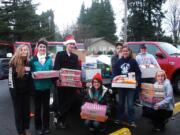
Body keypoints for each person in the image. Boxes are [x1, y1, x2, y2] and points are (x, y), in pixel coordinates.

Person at [53, 35, 80, 128]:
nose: (72, 46)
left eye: (73, 44)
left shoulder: (75, 57)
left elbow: (77, 69)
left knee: (70, 101)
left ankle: (58, 115)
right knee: (61, 101)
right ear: (66, 45)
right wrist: (58, 79)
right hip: (61, 83)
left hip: (71, 84)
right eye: (70, 44)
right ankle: (60, 122)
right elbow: (56, 68)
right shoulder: (60, 54)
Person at [113, 46, 141, 127]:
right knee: (121, 103)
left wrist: (137, 81)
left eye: (126, 51)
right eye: (123, 51)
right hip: (121, 86)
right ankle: (119, 118)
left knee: (130, 104)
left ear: (129, 52)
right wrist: (115, 78)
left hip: (130, 86)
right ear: (121, 52)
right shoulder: (119, 61)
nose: (125, 52)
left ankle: (131, 120)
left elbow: (138, 73)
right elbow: (115, 72)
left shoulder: (133, 61)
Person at [30, 38, 53, 135]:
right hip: (36, 88)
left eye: (44, 47)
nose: (42, 48)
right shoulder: (32, 59)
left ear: (46, 48)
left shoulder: (49, 59)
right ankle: (38, 128)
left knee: (46, 108)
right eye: (41, 46)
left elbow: (52, 72)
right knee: (37, 108)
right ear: (37, 48)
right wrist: (32, 75)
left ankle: (46, 127)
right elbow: (30, 73)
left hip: (47, 87)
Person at [9, 44, 32, 135]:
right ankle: (20, 131)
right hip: (17, 93)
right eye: (22, 50)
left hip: (26, 93)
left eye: (26, 50)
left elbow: (29, 77)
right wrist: (13, 93)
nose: (24, 51)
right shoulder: (13, 62)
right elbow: (11, 79)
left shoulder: (28, 62)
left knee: (26, 112)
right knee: (18, 113)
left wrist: (31, 91)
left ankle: (26, 128)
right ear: (19, 51)